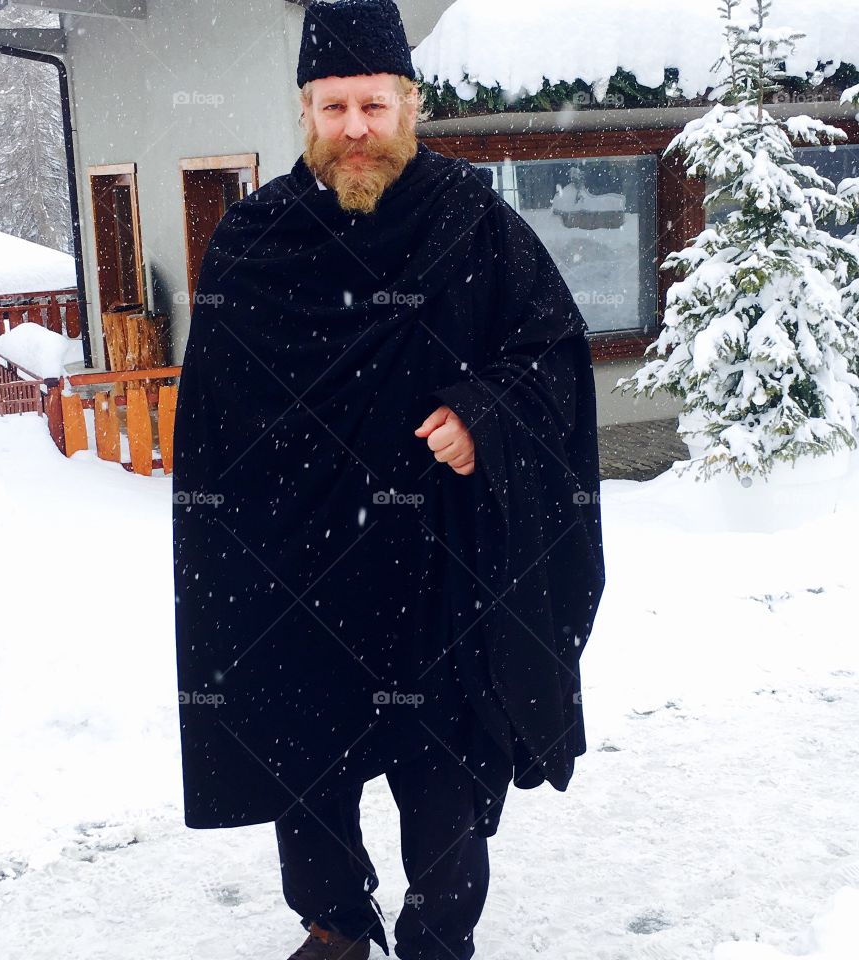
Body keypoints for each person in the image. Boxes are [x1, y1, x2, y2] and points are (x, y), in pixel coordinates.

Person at [171, 2, 606, 958]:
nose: (355, 128)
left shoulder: (471, 223)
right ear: (305, 112)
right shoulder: (252, 241)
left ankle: (438, 934)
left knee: (444, 778)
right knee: (306, 770)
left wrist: (481, 417)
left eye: (374, 103)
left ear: (410, 103)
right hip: (301, 570)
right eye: (334, 107)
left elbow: (549, 358)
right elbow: (211, 423)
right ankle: (334, 923)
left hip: (437, 569)